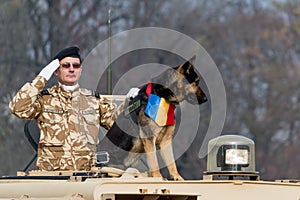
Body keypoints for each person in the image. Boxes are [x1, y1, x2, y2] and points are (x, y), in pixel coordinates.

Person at [9, 46, 139, 171]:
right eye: (66, 65)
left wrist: (129, 103)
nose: (71, 69)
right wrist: (41, 78)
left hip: (87, 176)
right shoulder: (45, 100)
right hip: (52, 177)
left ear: (80, 70)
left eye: (75, 66)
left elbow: (117, 125)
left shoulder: (93, 100)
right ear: (56, 71)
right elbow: (18, 108)